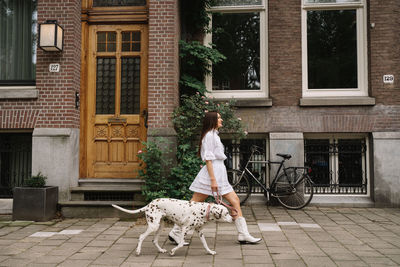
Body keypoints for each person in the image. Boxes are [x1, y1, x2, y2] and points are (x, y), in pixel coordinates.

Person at [169, 111, 261, 245]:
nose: (221, 120)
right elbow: (208, 159)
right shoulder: (209, 136)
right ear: (212, 120)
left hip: (219, 172)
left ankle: (243, 234)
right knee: (193, 205)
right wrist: (213, 180)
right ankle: (176, 232)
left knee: (235, 200)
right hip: (212, 174)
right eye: (219, 118)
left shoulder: (214, 135)